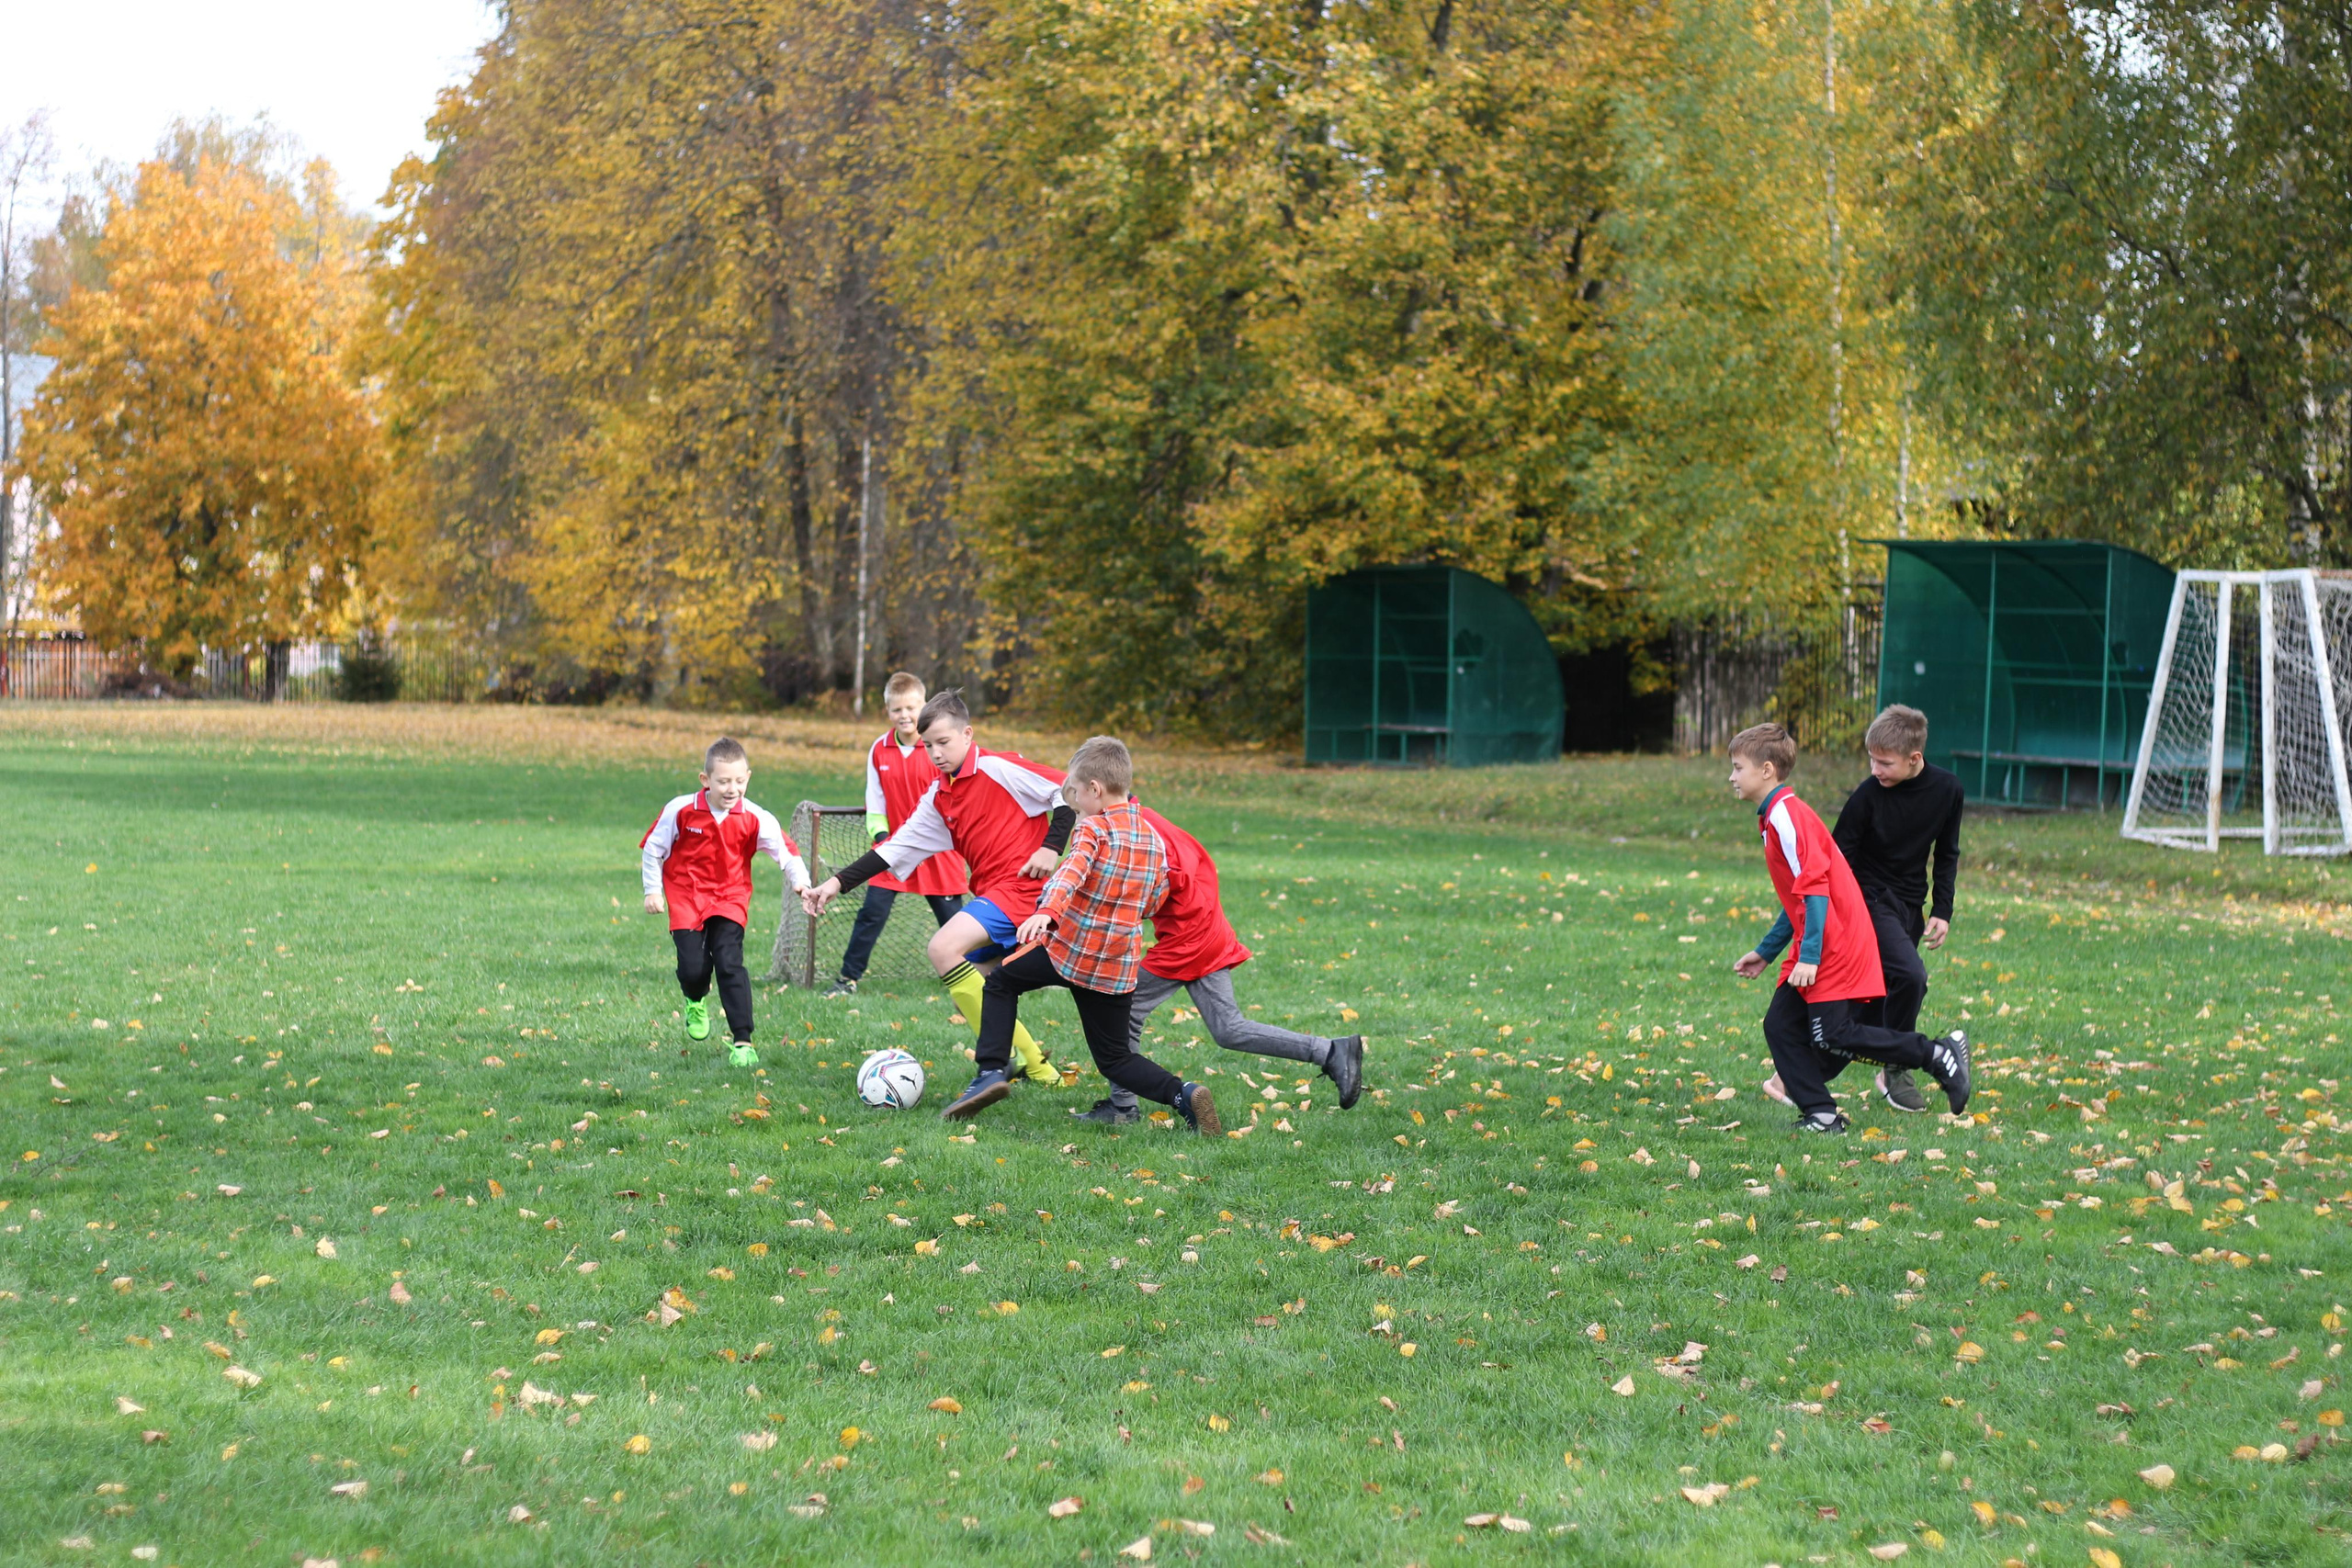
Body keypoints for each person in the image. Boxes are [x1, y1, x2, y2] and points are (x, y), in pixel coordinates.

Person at [938, 737, 1219, 1134]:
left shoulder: (1093, 829)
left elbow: (1068, 875)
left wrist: (1047, 912)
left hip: (1069, 952)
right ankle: (1184, 1095)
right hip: (1116, 966)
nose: (1075, 803)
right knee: (1116, 1058)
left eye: (1076, 793)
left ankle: (989, 1073)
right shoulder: (1152, 837)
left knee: (1000, 982)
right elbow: (1156, 898)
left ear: (1096, 790)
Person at [799, 689, 1066, 1086]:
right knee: (980, 976)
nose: (936, 752)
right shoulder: (940, 796)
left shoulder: (999, 768)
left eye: (944, 742)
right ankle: (1041, 1071)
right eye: (928, 745)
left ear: (968, 734)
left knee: (942, 947)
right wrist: (837, 883)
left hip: (1025, 891)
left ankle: (996, 1068)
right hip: (996, 895)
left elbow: (1068, 792)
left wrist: (1051, 846)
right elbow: (894, 848)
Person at [1724, 722, 1972, 1134]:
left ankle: (1936, 1055)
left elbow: (1817, 890)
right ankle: (1820, 1113)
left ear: (1767, 770)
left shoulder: (1786, 817)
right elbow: (1803, 893)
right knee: (1781, 1025)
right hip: (1821, 938)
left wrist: (1809, 955)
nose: (1732, 777)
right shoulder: (1777, 815)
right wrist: (1768, 950)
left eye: (1737, 767)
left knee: (1835, 1034)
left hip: (1835, 943)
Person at [1074, 803, 1366, 1125]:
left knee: (1120, 1006)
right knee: (1228, 1029)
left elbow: (1157, 884)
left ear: (1096, 791)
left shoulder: (1141, 831)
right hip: (1205, 929)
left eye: (1077, 808)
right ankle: (1330, 1052)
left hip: (1189, 939)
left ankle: (1123, 1107)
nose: (1078, 819)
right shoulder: (1143, 818)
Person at [641, 737, 808, 1069]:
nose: (732, 789)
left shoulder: (756, 817)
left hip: (730, 897)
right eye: (723, 782)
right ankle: (694, 998)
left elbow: (786, 853)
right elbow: (653, 849)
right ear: (705, 780)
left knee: (730, 963)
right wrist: (652, 891)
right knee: (693, 968)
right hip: (687, 897)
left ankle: (743, 1041)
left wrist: (800, 882)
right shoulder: (681, 810)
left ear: (748, 777)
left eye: (739, 781)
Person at [1832, 703, 1966, 1113]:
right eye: (1871, 759)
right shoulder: (1867, 796)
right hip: (1868, 899)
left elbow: (1946, 853)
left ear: (1915, 759)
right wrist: (1845, 912)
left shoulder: (1947, 790)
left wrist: (1941, 910)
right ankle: (1901, 1064)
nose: (1875, 769)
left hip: (1910, 905)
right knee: (1911, 976)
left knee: (1882, 993)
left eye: (1884, 762)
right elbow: (1837, 857)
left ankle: (1803, 1069)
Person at [824, 671, 970, 998]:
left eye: (911, 708)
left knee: (956, 922)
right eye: (897, 710)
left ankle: (975, 978)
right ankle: (847, 979)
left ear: (925, 706)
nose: (905, 716)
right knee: (871, 914)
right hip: (895, 848)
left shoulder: (940, 746)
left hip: (938, 851)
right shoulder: (880, 749)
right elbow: (875, 801)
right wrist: (880, 836)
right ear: (888, 711)